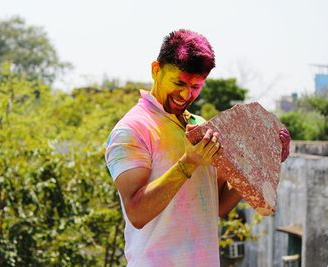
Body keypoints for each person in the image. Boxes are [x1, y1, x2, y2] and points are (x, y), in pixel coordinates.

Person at [105, 29, 290, 267]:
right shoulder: (131, 130)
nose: (186, 94)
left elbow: (217, 205)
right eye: (179, 82)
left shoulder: (200, 127)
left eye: (196, 86)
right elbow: (137, 213)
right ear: (156, 70)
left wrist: (263, 158)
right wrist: (188, 163)